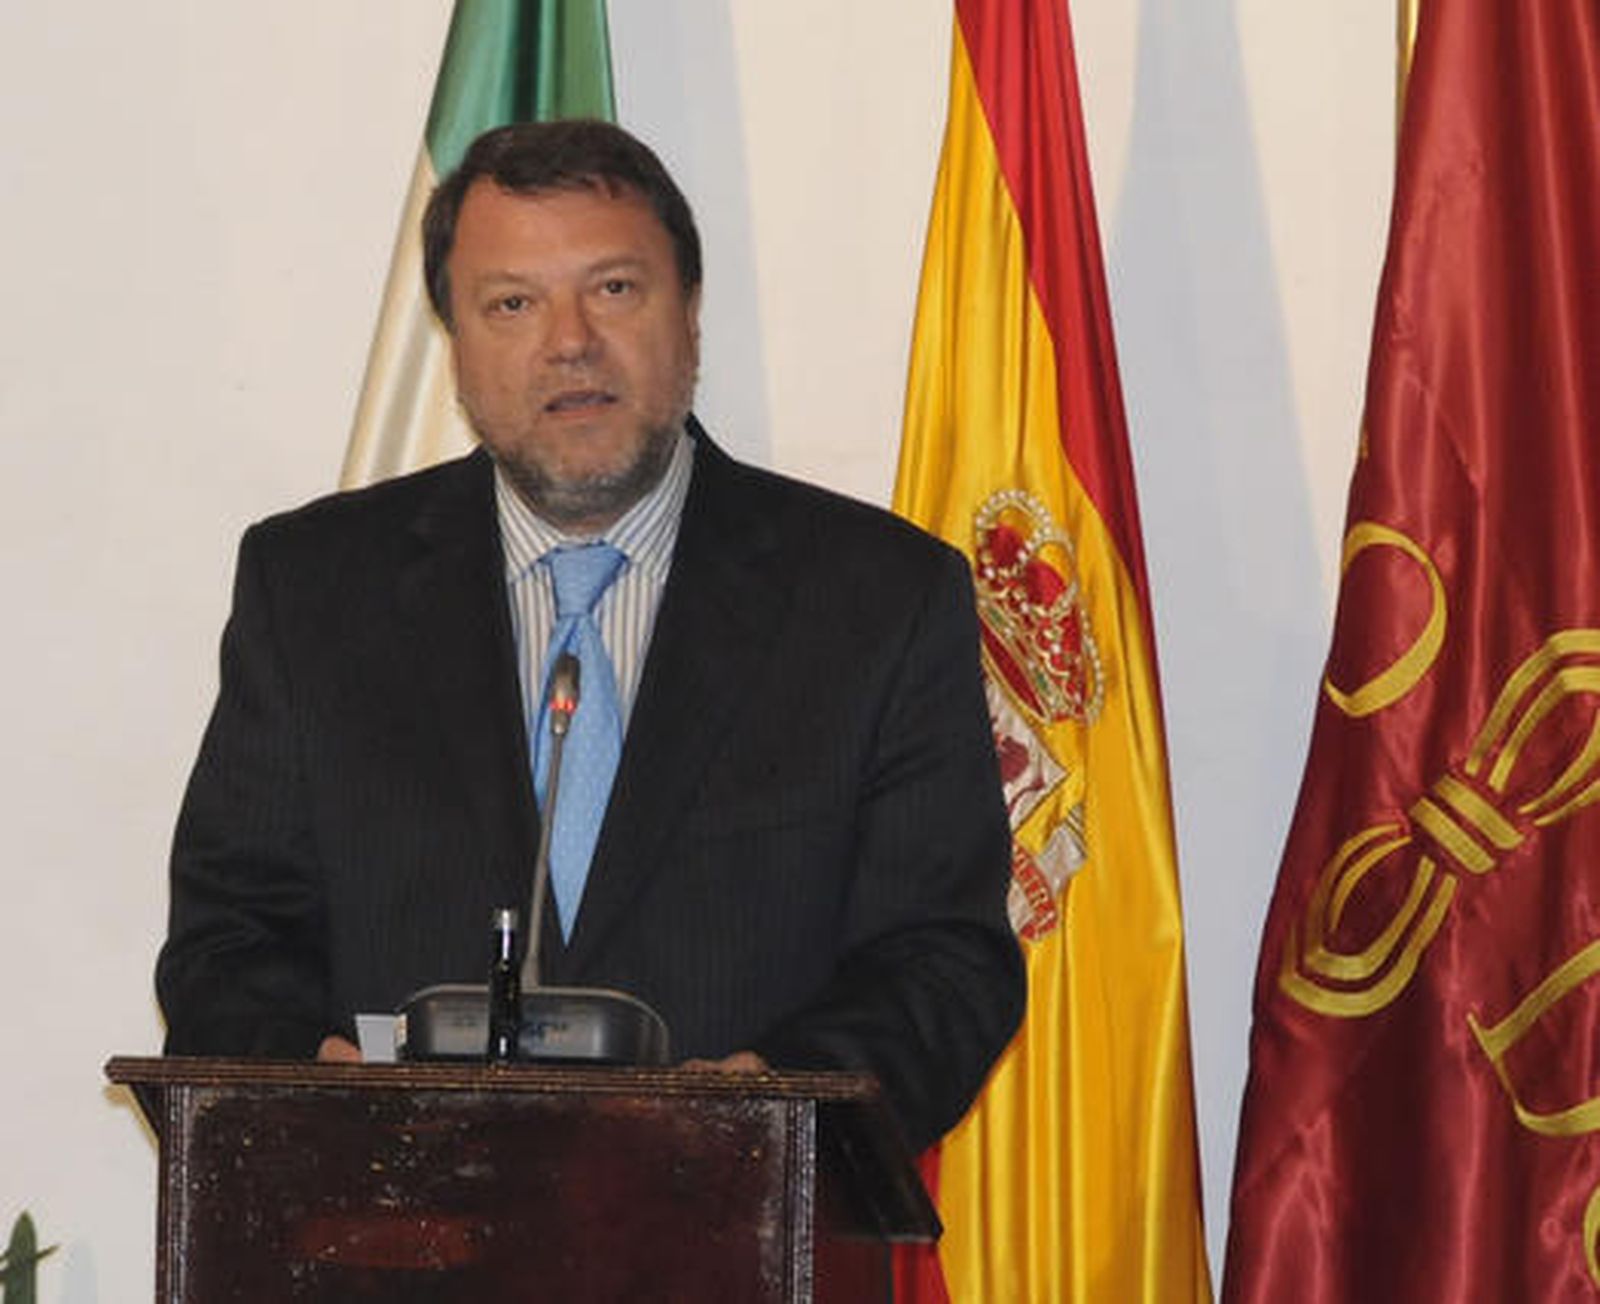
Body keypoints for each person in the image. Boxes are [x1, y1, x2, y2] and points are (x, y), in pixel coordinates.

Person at [156, 120, 1024, 1150]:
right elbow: (228, 944)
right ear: (458, 348)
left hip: (735, 1244)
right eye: (512, 303)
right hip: (396, 1237)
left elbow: (942, 960)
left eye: (614, 289)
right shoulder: (313, 591)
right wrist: (311, 1079)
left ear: (691, 316)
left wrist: (775, 1104)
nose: (569, 340)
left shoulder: (877, 597)